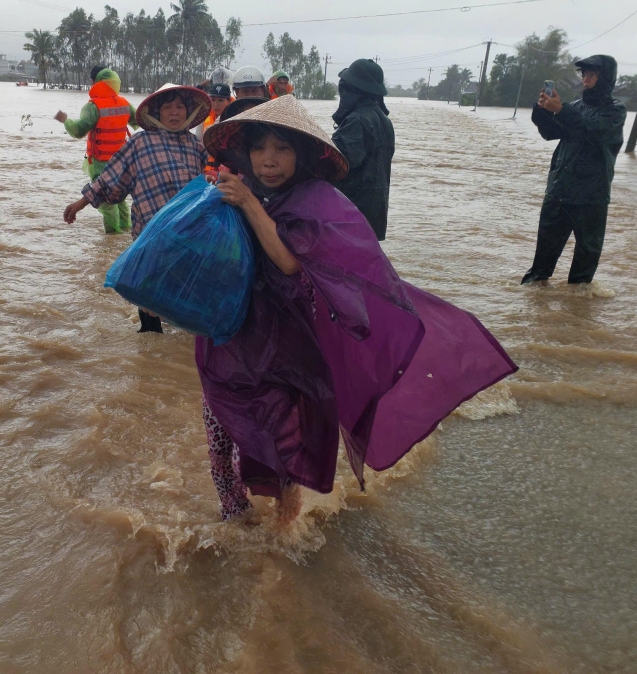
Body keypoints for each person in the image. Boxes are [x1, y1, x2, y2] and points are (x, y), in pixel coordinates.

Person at [198, 95, 517, 522]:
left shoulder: (317, 200)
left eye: (282, 149)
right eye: (259, 149)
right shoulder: (241, 189)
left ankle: (283, 530)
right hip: (236, 332)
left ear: (303, 154)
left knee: (280, 438)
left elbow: (290, 262)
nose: (268, 160)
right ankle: (233, 517)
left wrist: (250, 206)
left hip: (288, 344)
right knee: (221, 426)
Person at [63, 84, 211, 332]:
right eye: (167, 108)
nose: (174, 113)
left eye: (179, 107)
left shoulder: (196, 148)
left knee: (186, 289)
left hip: (187, 234)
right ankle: (150, 342)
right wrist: (80, 203)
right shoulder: (141, 143)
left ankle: (185, 336)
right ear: (157, 113)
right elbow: (109, 179)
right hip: (150, 231)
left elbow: (206, 189)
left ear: (188, 113)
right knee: (149, 289)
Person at [522, 55, 626, 286]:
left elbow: (592, 130)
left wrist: (561, 110)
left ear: (605, 78)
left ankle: (578, 313)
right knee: (539, 268)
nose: (586, 79)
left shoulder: (615, 111)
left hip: (591, 197)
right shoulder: (576, 107)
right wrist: (542, 112)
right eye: (584, 74)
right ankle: (531, 309)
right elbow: (550, 133)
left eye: (592, 75)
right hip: (559, 191)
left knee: (582, 273)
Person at [55, 67, 137, 234]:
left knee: (106, 203)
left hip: (101, 163)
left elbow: (78, 130)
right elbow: (140, 120)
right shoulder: (125, 104)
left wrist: (65, 121)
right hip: (122, 162)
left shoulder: (92, 107)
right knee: (120, 199)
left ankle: (111, 237)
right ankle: (126, 233)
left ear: (94, 82)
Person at [330, 58, 395, 241]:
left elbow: (335, 165)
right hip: (374, 215)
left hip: (352, 216)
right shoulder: (385, 121)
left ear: (355, 91)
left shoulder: (357, 121)